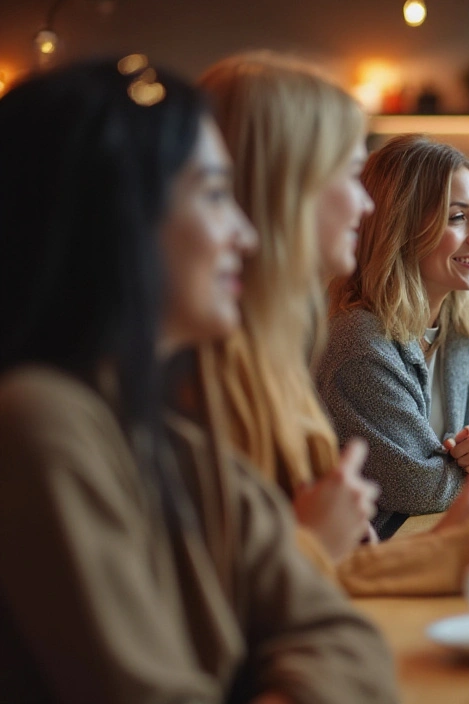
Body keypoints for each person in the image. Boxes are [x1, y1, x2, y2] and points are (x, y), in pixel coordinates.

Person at [0, 59, 396, 702]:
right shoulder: (41, 423)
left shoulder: (163, 437)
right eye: (215, 195)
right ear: (121, 217)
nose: (244, 232)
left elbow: (345, 637)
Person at [198, 52, 469, 595]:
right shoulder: (327, 342)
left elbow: (311, 575)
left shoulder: (266, 354)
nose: (364, 204)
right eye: (349, 175)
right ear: (283, 187)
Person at [318, 135, 469, 540]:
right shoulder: (359, 341)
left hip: (439, 540)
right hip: (377, 559)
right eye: (457, 217)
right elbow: (418, 487)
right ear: (399, 227)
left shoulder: (465, 333)